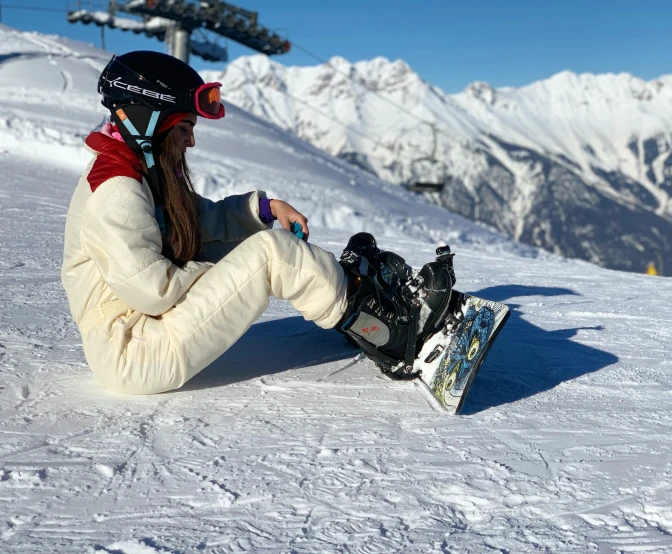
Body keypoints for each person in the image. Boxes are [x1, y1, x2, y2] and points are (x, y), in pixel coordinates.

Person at [62, 51, 453, 395]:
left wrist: (264, 210)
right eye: (185, 128)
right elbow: (154, 291)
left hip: (144, 330)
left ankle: (358, 299)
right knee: (270, 255)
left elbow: (197, 222)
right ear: (150, 120)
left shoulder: (139, 171)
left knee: (251, 249)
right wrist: (235, 264)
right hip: (135, 350)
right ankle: (396, 337)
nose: (191, 142)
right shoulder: (116, 190)